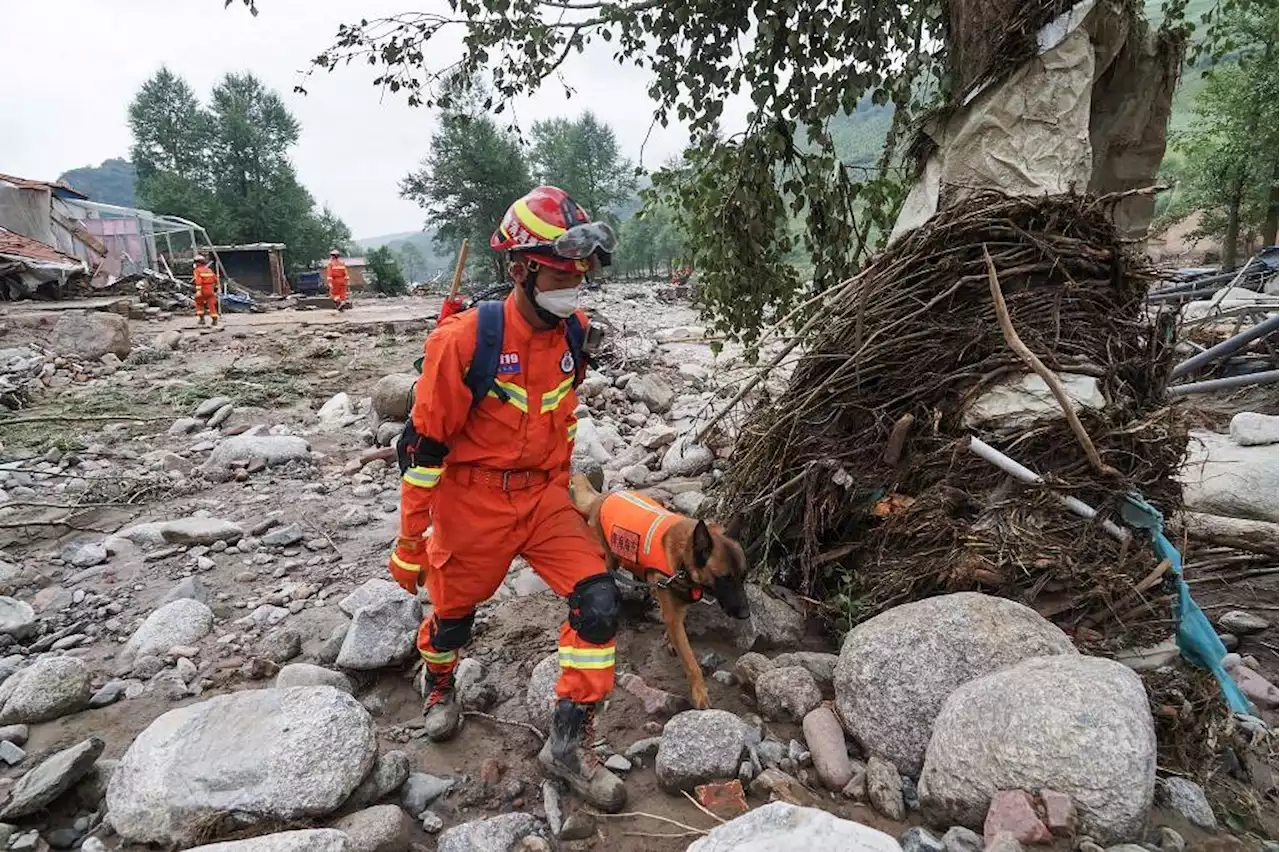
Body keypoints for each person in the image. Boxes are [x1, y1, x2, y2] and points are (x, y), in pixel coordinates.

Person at [389, 185, 626, 811]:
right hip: (473, 504)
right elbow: (423, 451)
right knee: (453, 619)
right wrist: (411, 540)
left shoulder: (574, 331)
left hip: (545, 500)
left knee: (600, 603)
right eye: (560, 269)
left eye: (581, 270)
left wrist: (575, 494)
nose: (574, 280)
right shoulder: (465, 341)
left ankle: (568, 745)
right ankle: (439, 684)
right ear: (520, 268)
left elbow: (562, 424)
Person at [192, 254, 219, 327]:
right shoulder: (209, 270)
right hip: (210, 290)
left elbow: (198, 281)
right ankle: (214, 320)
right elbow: (215, 280)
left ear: (197, 263)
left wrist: (198, 291)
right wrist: (216, 289)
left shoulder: (197, 270)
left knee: (199, 303)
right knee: (211, 305)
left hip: (202, 289)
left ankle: (202, 320)